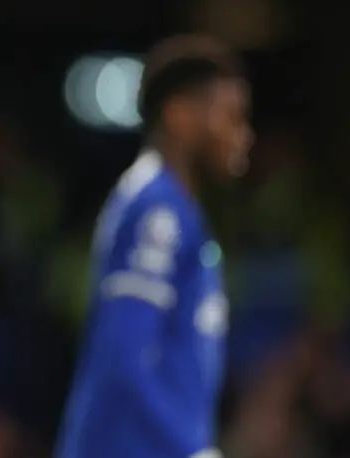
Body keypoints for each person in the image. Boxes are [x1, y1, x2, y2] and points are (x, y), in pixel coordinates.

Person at [56, 35, 254, 458]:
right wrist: (190, 449)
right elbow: (125, 354)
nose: (244, 136)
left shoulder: (178, 209)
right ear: (180, 116)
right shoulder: (156, 210)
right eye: (231, 117)